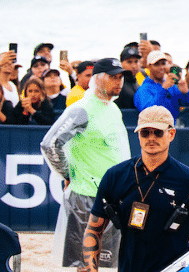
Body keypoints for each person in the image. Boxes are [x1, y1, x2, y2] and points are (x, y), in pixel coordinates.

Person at [83, 105, 189, 272]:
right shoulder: (115, 176)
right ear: (138, 136)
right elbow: (93, 230)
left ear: (171, 134)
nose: (151, 138)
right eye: (145, 132)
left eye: (158, 132)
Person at [41, 57, 130, 270]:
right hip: (86, 198)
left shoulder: (113, 108)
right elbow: (51, 144)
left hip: (114, 196)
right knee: (85, 264)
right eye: (113, 77)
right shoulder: (82, 109)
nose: (119, 82)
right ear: (98, 79)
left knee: (110, 263)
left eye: (121, 77)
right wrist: (68, 174)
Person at [133, 51, 189, 121]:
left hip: (172, 128)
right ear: (149, 66)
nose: (161, 67)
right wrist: (163, 90)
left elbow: (188, 102)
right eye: (156, 64)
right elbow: (148, 113)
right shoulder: (143, 89)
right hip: (155, 130)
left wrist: (185, 92)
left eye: (163, 63)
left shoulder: (171, 86)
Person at [117, 44, 142, 109]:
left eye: (136, 62)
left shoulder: (138, 81)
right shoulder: (117, 84)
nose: (133, 66)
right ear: (121, 63)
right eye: (129, 62)